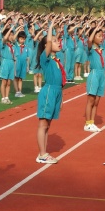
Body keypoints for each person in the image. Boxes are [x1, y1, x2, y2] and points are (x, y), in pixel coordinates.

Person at [35, 23, 64, 164]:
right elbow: (48, 43)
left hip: (57, 92)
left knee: (47, 125)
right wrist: (50, 27)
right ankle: (42, 154)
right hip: (48, 93)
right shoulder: (45, 59)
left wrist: (61, 99)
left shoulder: (56, 60)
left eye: (58, 40)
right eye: (54, 41)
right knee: (43, 124)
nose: (58, 43)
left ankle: (44, 152)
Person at [84, 26, 105, 132]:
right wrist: (94, 29)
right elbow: (89, 41)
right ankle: (87, 123)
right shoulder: (91, 49)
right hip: (94, 74)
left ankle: (92, 122)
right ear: (93, 37)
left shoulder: (102, 49)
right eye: (99, 36)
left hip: (102, 74)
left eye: (102, 36)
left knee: (97, 101)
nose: (101, 38)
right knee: (91, 100)